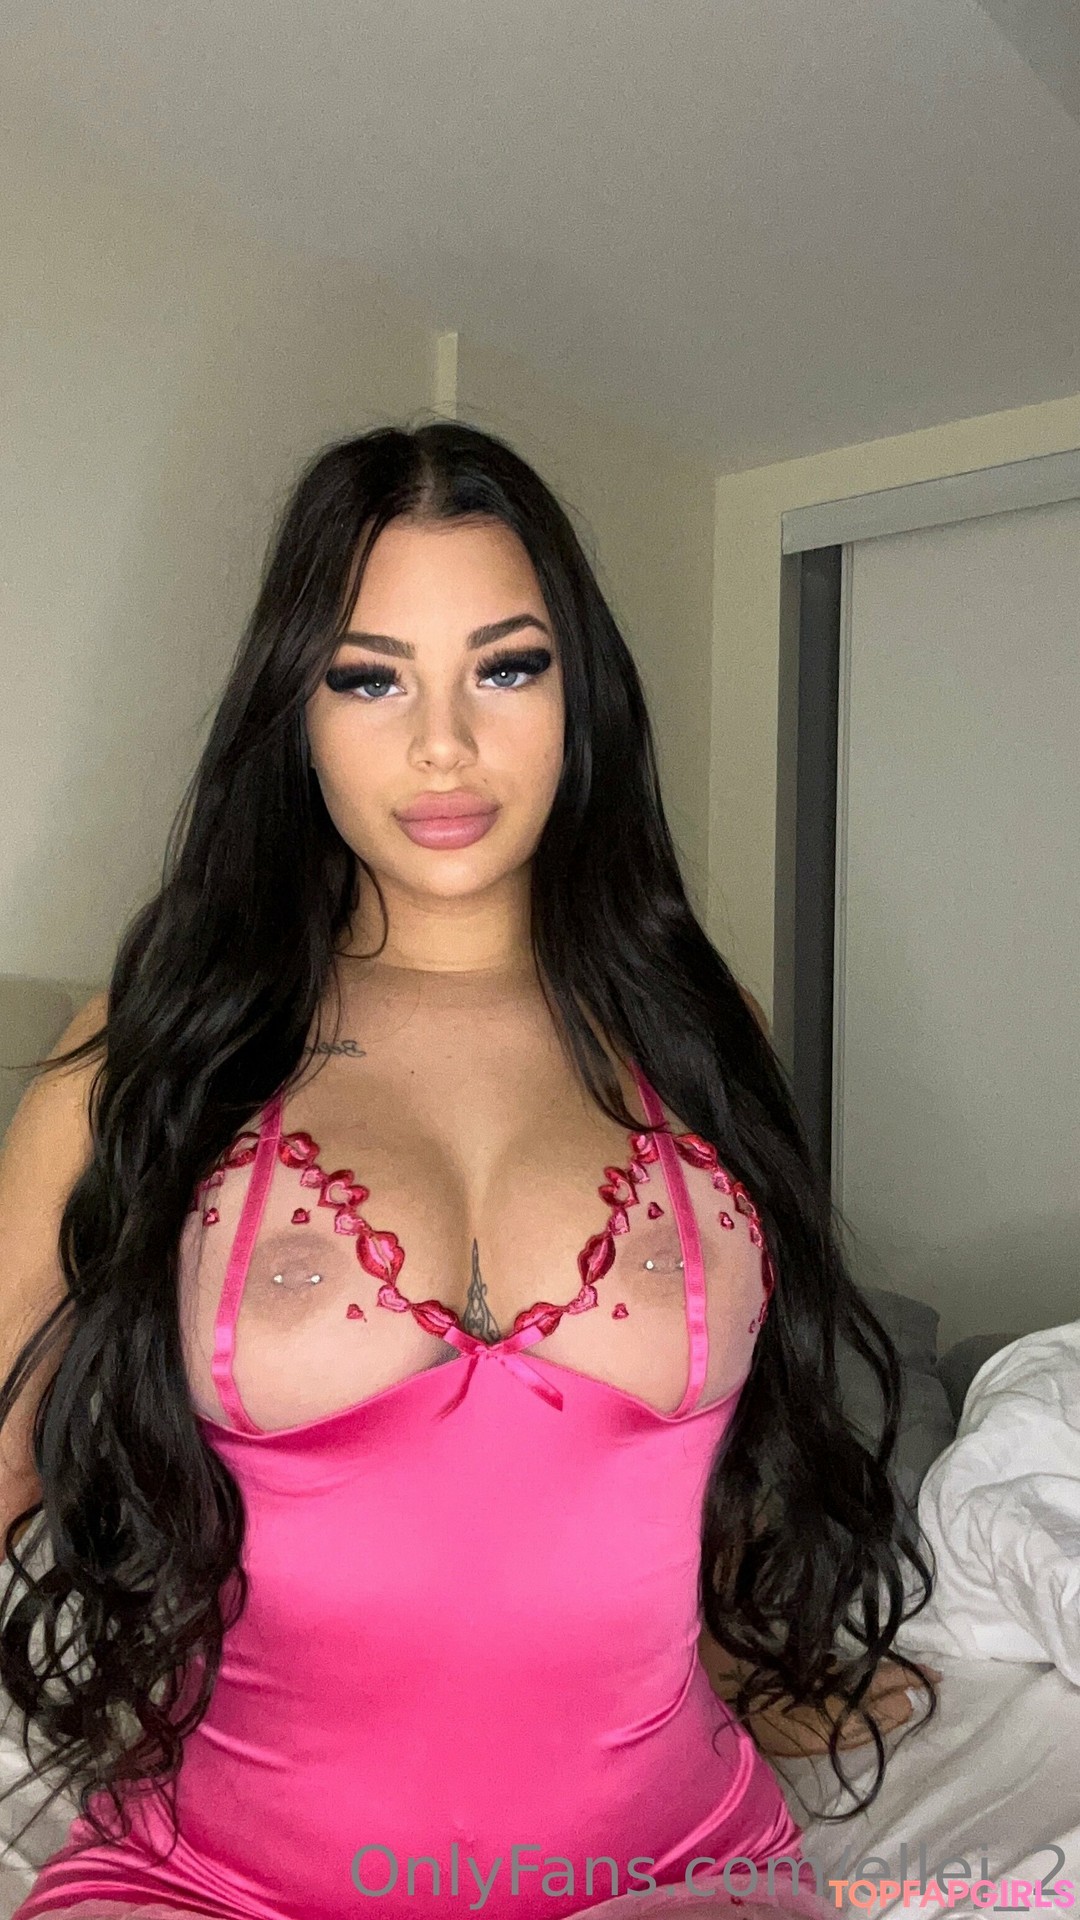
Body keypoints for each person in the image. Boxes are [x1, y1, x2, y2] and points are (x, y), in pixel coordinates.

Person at [0, 421, 936, 1920]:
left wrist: (767, 1659)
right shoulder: (152, 1044)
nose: (443, 744)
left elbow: (737, 1457)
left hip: (668, 1867)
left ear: (582, 693)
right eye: (369, 678)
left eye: (507, 667)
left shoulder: (713, 1038)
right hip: (216, 1880)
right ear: (294, 711)